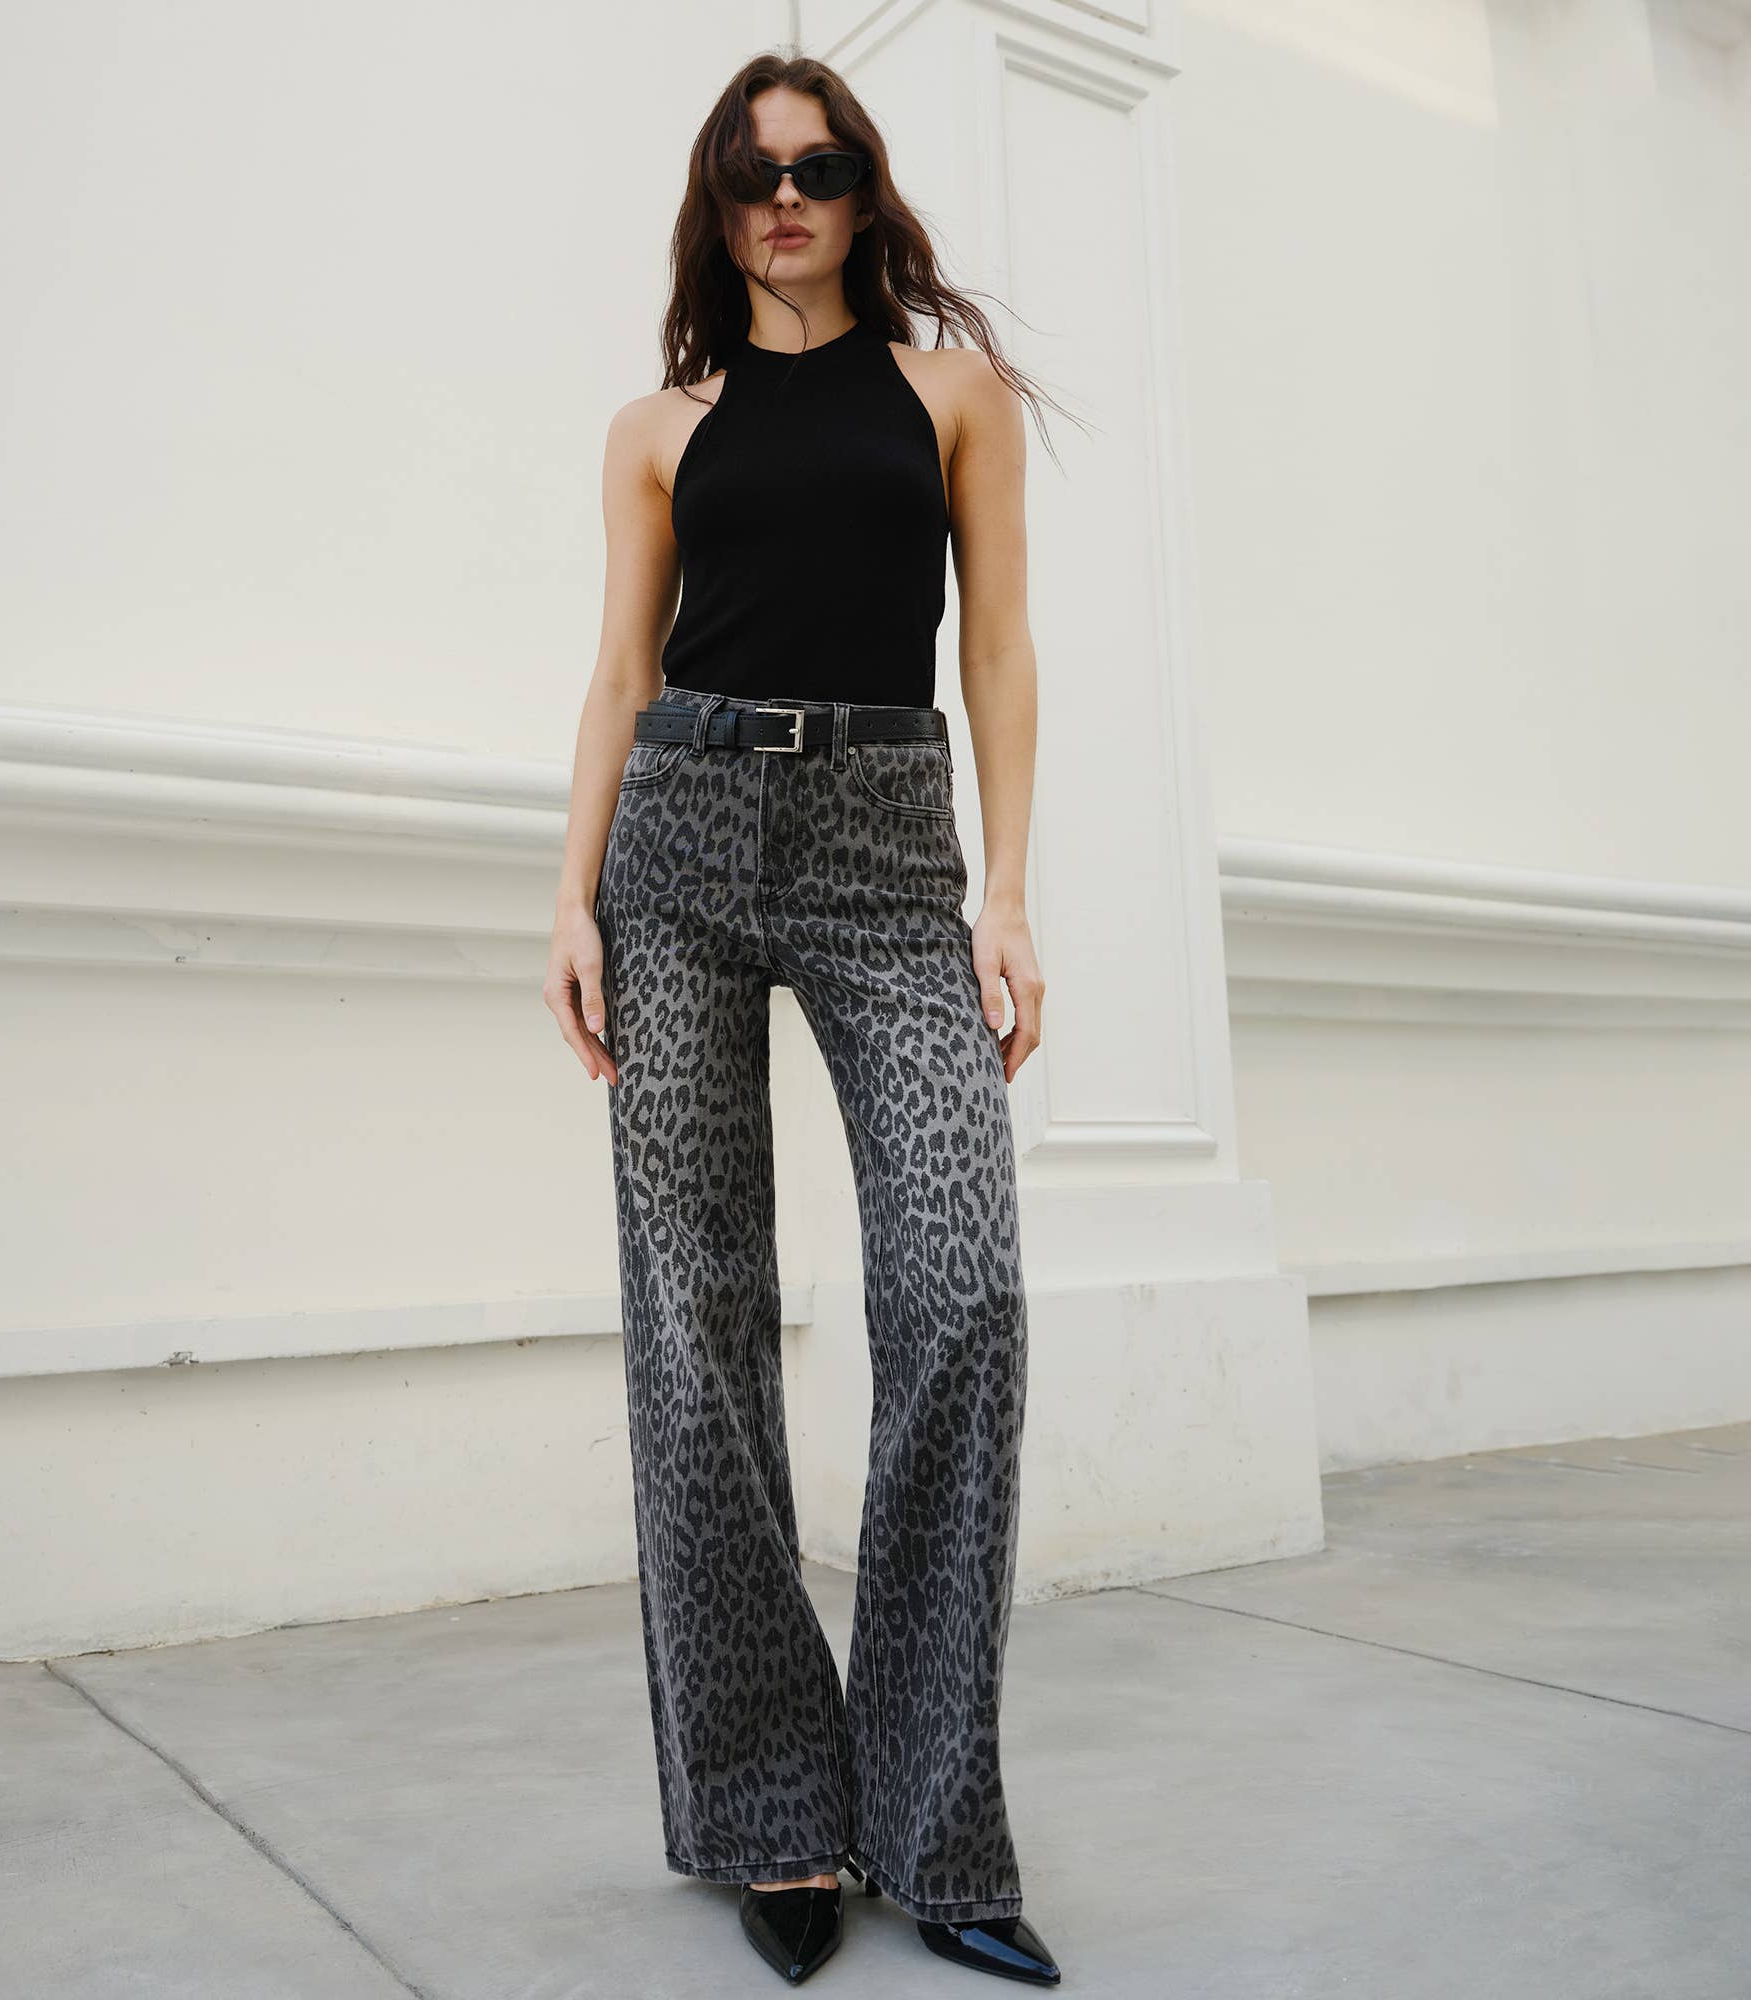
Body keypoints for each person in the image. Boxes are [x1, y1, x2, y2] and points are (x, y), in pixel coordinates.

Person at [545, 48, 1062, 1990]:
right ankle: (776, 1816)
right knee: (693, 1324)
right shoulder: (655, 428)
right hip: (677, 840)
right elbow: (619, 670)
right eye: (755, 171)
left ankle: (935, 1826)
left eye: (822, 166)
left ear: (865, 192)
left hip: (882, 841)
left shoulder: (951, 395)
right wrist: (569, 898)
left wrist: (1005, 891)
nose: (788, 196)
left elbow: (996, 642)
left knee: (963, 1290)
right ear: (716, 198)